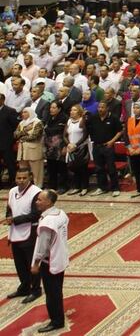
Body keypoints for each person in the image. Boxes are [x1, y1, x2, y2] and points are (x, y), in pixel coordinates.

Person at [30, 189, 69, 334]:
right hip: (61, 257)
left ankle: (56, 321)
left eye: (40, 200)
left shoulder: (47, 222)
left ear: (49, 202)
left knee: (52, 293)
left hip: (50, 261)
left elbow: (42, 246)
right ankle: (58, 316)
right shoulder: (61, 214)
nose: (37, 202)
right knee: (57, 290)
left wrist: (35, 263)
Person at [3, 167, 42, 305]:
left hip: (30, 233)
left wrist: (15, 220)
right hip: (15, 232)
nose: (21, 181)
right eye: (19, 178)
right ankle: (24, 287)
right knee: (19, 264)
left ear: (30, 177)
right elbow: (9, 209)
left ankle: (36, 289)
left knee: (31, 263)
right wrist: (8, 217)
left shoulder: (36, 193)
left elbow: (35, 214)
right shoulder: (13, 191)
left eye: (24, 178)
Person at [14, 109, 44, 188]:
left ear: (30, 113)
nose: (22, 114)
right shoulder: (21, 123)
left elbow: (35, 136)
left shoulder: (37, 122)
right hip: (22, 151)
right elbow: (15, 135)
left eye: (25, 112)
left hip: (34, 150)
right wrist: (25, 130)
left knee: (36, 172)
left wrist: (22, 138)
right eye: (22, 112)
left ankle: (38, 187)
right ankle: (25, 187)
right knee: (23, 171)